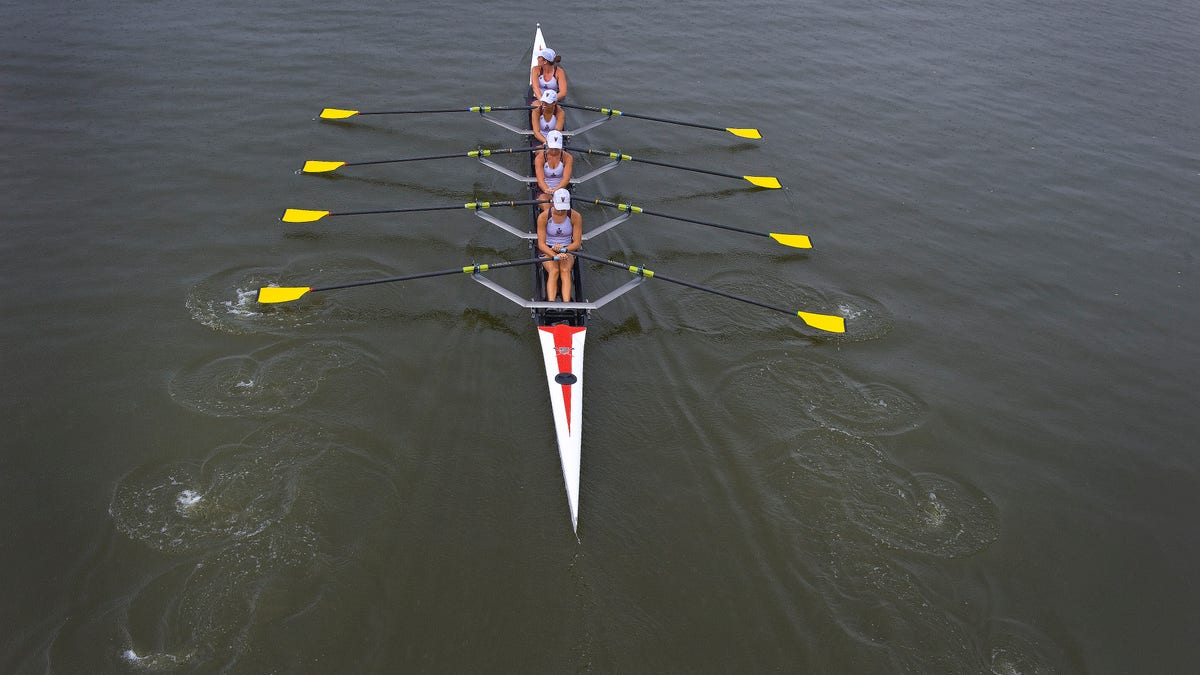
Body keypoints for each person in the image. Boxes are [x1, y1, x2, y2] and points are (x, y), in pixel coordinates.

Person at [537, 188, 583, 302]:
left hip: (568, 249)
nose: (561, 211)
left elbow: (577, 243)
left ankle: (567, 305)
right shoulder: (543, 217)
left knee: (564, 270)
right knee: (554, 270)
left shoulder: (575, 216)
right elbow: (541, 244)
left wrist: (564, 250)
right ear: (553, 202)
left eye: (564, 209)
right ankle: (551, 304)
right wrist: (555, 255)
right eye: (559, 208)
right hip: (547, 249)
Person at [534, 130, 574, 214]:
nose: (554, 151)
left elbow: (566, 179)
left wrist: (556, 190)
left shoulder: (568, 158)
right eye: (552, 147)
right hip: (544, 190)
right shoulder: (540, 158)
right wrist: (547, 190)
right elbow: (540, 181)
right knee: (548, 210)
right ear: (547, 144)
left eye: (557, 148)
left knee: (561, 212)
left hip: (562, 190)